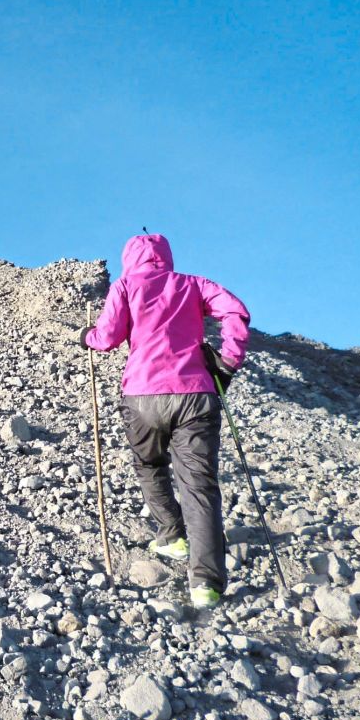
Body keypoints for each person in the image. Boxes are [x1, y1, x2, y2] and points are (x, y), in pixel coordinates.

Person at [80, 233, 249, 608]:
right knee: (199, 486)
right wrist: (228, 363)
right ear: (166, 256)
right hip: (195, 394)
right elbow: (236, 312)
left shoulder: (125, 286)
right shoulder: (193, 285)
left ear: (129, 258)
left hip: (142, 396)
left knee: (149, 463)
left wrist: (86, 337)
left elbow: (107, 338)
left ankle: (172, 535)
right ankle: (205, 584)